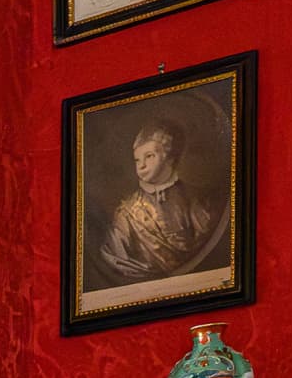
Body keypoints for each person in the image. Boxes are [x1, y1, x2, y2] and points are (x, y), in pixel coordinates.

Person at [96, 120, 227, 284]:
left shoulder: (196, 199)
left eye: (149, 156)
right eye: (137, 160)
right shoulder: (126, 213)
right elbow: (117, 258)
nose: (141, 166)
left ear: (170, 158)